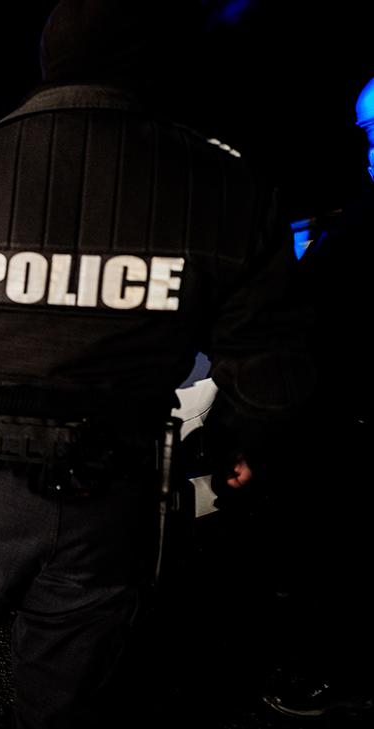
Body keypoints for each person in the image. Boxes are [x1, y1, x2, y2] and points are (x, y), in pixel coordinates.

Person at [0, 1, 311, 727]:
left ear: (49, 61)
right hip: (114, 498)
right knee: (72, 705)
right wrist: (239, 444)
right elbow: (274, 365)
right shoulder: (222, 186)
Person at [257, 75, 373, 720]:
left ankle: (341, 671)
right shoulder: (348, 219)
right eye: (366, 135)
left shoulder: (352, 226)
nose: (370, 149)